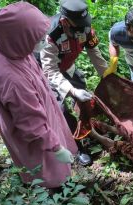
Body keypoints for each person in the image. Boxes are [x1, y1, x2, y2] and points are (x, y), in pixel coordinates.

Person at [0, 2, 77, 189]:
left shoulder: (12, 47)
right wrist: (57, 148)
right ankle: (57, 192)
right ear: (20, 38)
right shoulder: (11, 80)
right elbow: (32, 125)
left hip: (38, 110)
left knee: (52, 157)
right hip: (34, 131)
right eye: (38, 38)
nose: (45, 40)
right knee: (48, 166)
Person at [40, 0, 109, 165]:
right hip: (48, 74)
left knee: (84, 102)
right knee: (61, 110)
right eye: (76, 24)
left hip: (68, 68)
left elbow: (94, 52)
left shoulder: (85, 27)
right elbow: (50, 70)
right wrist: (71, 90)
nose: (81, 28)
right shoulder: (51, 35)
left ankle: (87, 130)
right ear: (65, 21)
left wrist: (107, 76)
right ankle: (76, 147)